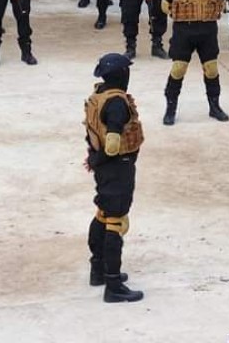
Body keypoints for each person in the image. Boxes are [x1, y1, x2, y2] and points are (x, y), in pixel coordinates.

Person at [84, 52, 145, 303]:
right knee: (116, 221)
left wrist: (95, 160)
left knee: (103, 213)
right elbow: (112, 144)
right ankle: (113, 284)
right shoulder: (117, 103)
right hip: (117, 166)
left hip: (105, 169)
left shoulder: (98, 95)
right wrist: (100, 159)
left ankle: (97, 270)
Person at [161, 0, 229, 124]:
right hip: (184, 31)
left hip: (207, 31)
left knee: (211, 69)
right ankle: (171, 107)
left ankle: (214, 106)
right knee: (178, 69)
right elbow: (165, 6)